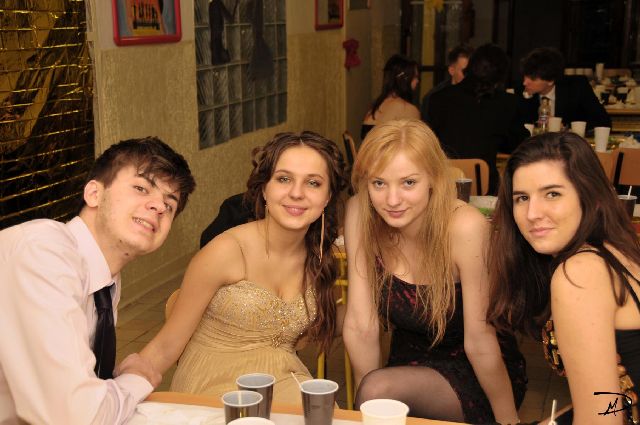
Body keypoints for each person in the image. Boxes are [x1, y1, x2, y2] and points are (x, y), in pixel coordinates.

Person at [141, 131, 348, 403]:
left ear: (328, 197)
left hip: (283, 379)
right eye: (283, 179)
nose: (297, 193)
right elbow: (165, 346)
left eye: (313, 183)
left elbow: (327, 328)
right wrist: (119, 396)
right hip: (214, 385)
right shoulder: (226, 251)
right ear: (265, 189)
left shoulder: (319, 258)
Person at [0, 137, 196, 424]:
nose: (158, 206)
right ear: (94, 193)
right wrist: (137, 378)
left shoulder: (106, 283)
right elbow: (76, 416)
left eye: (170, 204)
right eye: (141, 188)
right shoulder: (43, 252)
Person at [342, 119, 526, 423]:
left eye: (408, 183)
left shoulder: (465, 227)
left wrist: (508, 421)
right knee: (376, 391)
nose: (392, 200)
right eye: (379, 183)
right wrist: (368, 408)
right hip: (404, 370)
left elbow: (480, 341)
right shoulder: (360, 214)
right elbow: (361, 325)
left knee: (378, 389)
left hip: (475, 369)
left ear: (433, 178)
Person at [488, 132, 640, 424]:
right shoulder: (617, 249)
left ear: (590, 196)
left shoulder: (579, 273)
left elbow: (602, 418)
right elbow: (608, 402)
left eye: (552, 194)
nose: (532, 213)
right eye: (522, 198)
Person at [427, 43, 529, 195]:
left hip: (442, 184)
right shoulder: (507, 103)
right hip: (484, 186)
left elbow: (429, 141)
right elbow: (518, 143)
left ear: (469, 67)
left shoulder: (438, 98)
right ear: (501, 75)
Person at [517, 47, 611, 131]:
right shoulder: (520, 89)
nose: (525, 82)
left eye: (532, 79)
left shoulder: (576, 87)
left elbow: (603, 121)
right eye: (525, 76)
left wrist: (565, 127)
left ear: (550, 80)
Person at [361, 54, 420, 141]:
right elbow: (416, 145)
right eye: (415, 77)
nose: (417, 81)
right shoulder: (408, 109)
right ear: (405, 79)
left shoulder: (374, 107)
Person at [420, 45, 473, 122]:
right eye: (465, 71)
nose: (470, 76)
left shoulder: (480, 95)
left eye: (473, 71)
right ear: (451, 70)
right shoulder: (434, 98)